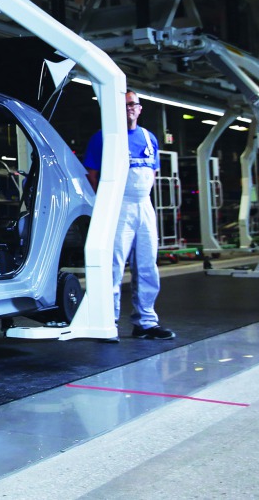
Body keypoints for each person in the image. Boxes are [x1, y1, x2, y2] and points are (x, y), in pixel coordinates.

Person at [83, 90, 175, 341]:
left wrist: (141, 198)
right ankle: (107, 321)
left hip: (144, 205)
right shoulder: (103, 138)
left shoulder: (149, 137)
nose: (129, 109)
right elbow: (92, 174)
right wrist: (107, 203)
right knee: (113, 266)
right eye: (124, 105)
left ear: (140, 108)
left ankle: (146, 322)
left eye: (133, 104)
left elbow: (152, 172)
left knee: (147, 266)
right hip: (118, 206)